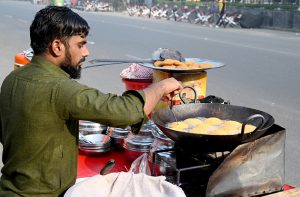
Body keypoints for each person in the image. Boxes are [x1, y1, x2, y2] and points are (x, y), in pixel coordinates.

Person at [0, 6, 183, 196]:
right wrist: (161, 86)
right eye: (80, 44)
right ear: (57, 47)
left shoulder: (13, 79)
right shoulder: (60, 89)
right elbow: (125, 112)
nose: (86, 52)